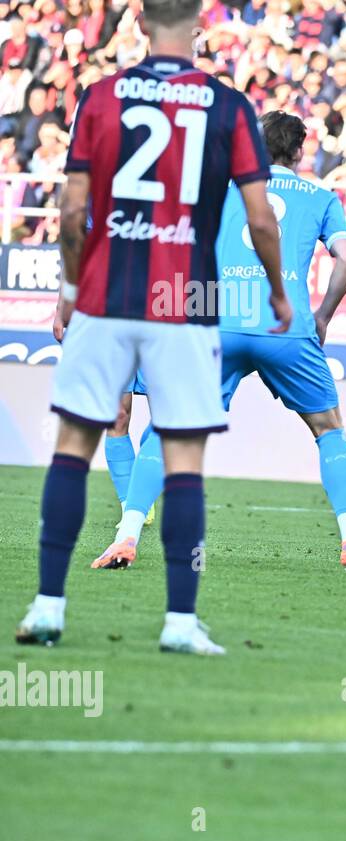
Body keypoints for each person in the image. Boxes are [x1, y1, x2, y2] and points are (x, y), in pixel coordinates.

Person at [16, 0, 292, 654]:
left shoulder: (101, 97)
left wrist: (67, 289)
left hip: (107, 292)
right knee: (185, 458)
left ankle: (49, 607)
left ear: (139, 25)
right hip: (185, 298)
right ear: (198, 27)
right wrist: (280, 291)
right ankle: (178, 622)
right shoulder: (227, 107)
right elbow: (259, 219)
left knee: (73, 446)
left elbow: (73, 209)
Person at [90, 110, 346, 580]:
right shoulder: (321, 196)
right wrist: (323, 315)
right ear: (298, 152)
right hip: (286, 325)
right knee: (329, 430)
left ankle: (126, 534)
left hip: (218, 320)